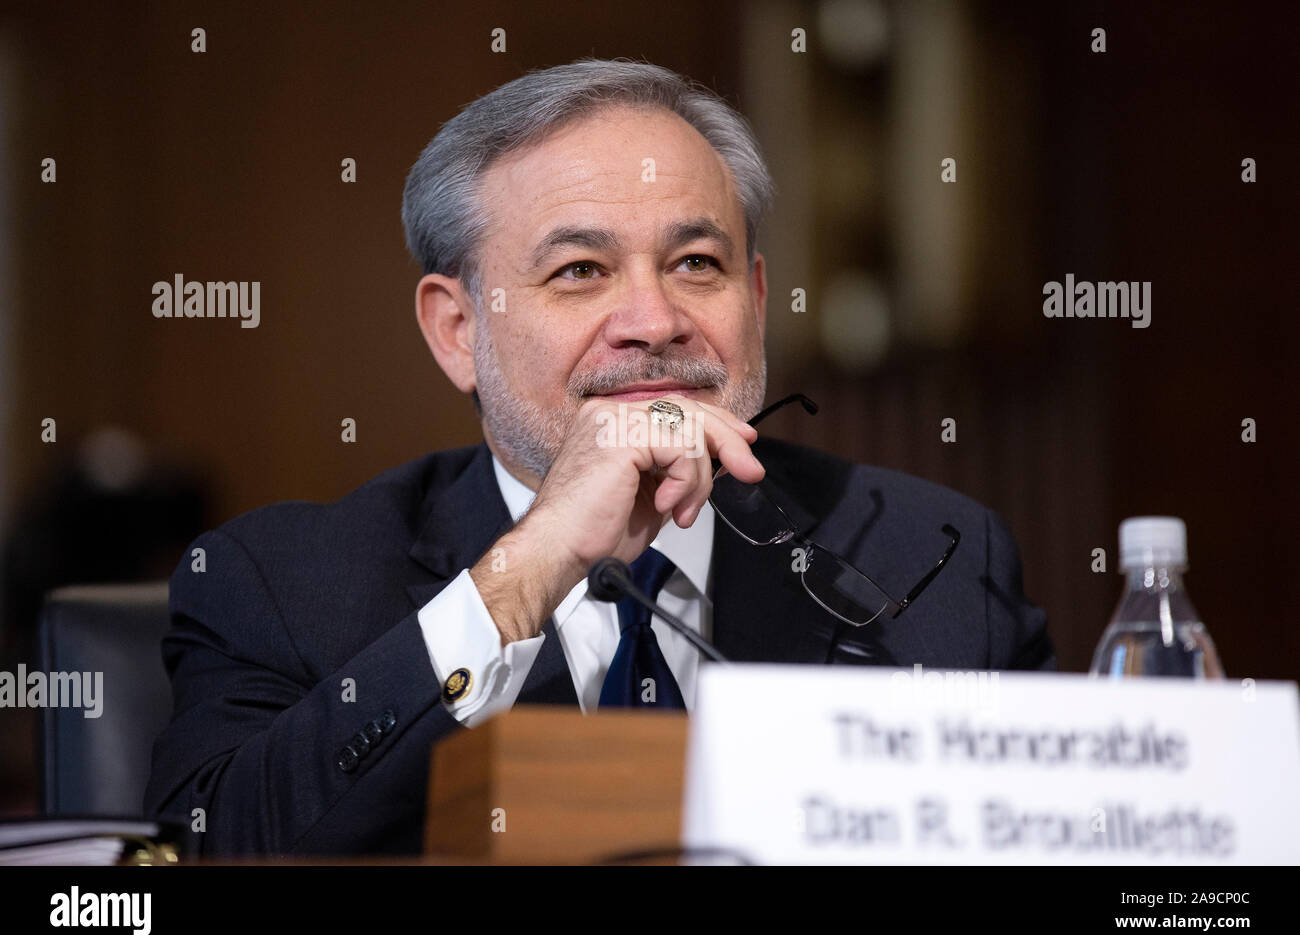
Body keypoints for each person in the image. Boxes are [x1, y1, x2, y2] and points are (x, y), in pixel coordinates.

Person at [145, 58, 1054, 858]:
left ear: (758, 298)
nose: (654, 322)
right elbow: (208, 852)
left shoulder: (928, 557)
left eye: (698, 263)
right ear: (458, 330)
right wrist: (525, 574)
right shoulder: (282, 586)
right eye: (580, 271)